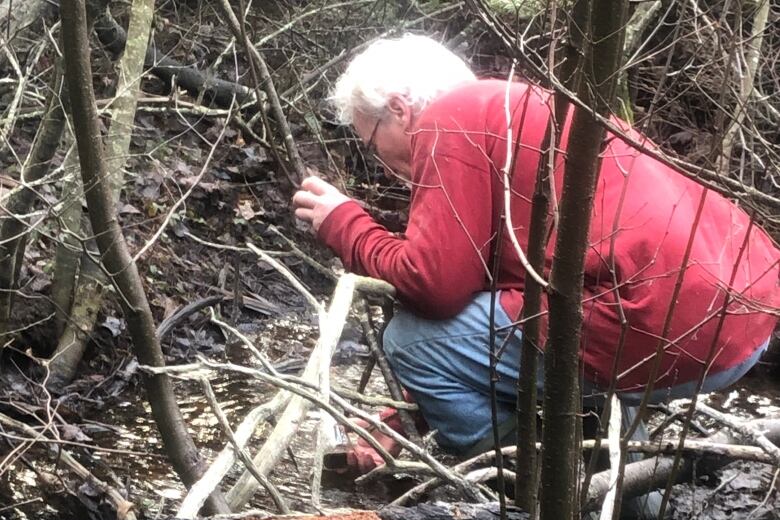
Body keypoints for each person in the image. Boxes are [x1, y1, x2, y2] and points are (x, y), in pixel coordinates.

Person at [292, 34, 779, 460]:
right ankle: (631, 502)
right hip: (742, 322)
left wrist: (344, 223)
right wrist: (404, 415)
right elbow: (483, 295)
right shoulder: (525, 109)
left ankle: (527, 495)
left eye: (373, 142)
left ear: (400, 108)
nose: (382, 163)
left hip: (658, 325)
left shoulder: (449, 119)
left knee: (409, 342)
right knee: (554, 316)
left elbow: (434, 286)